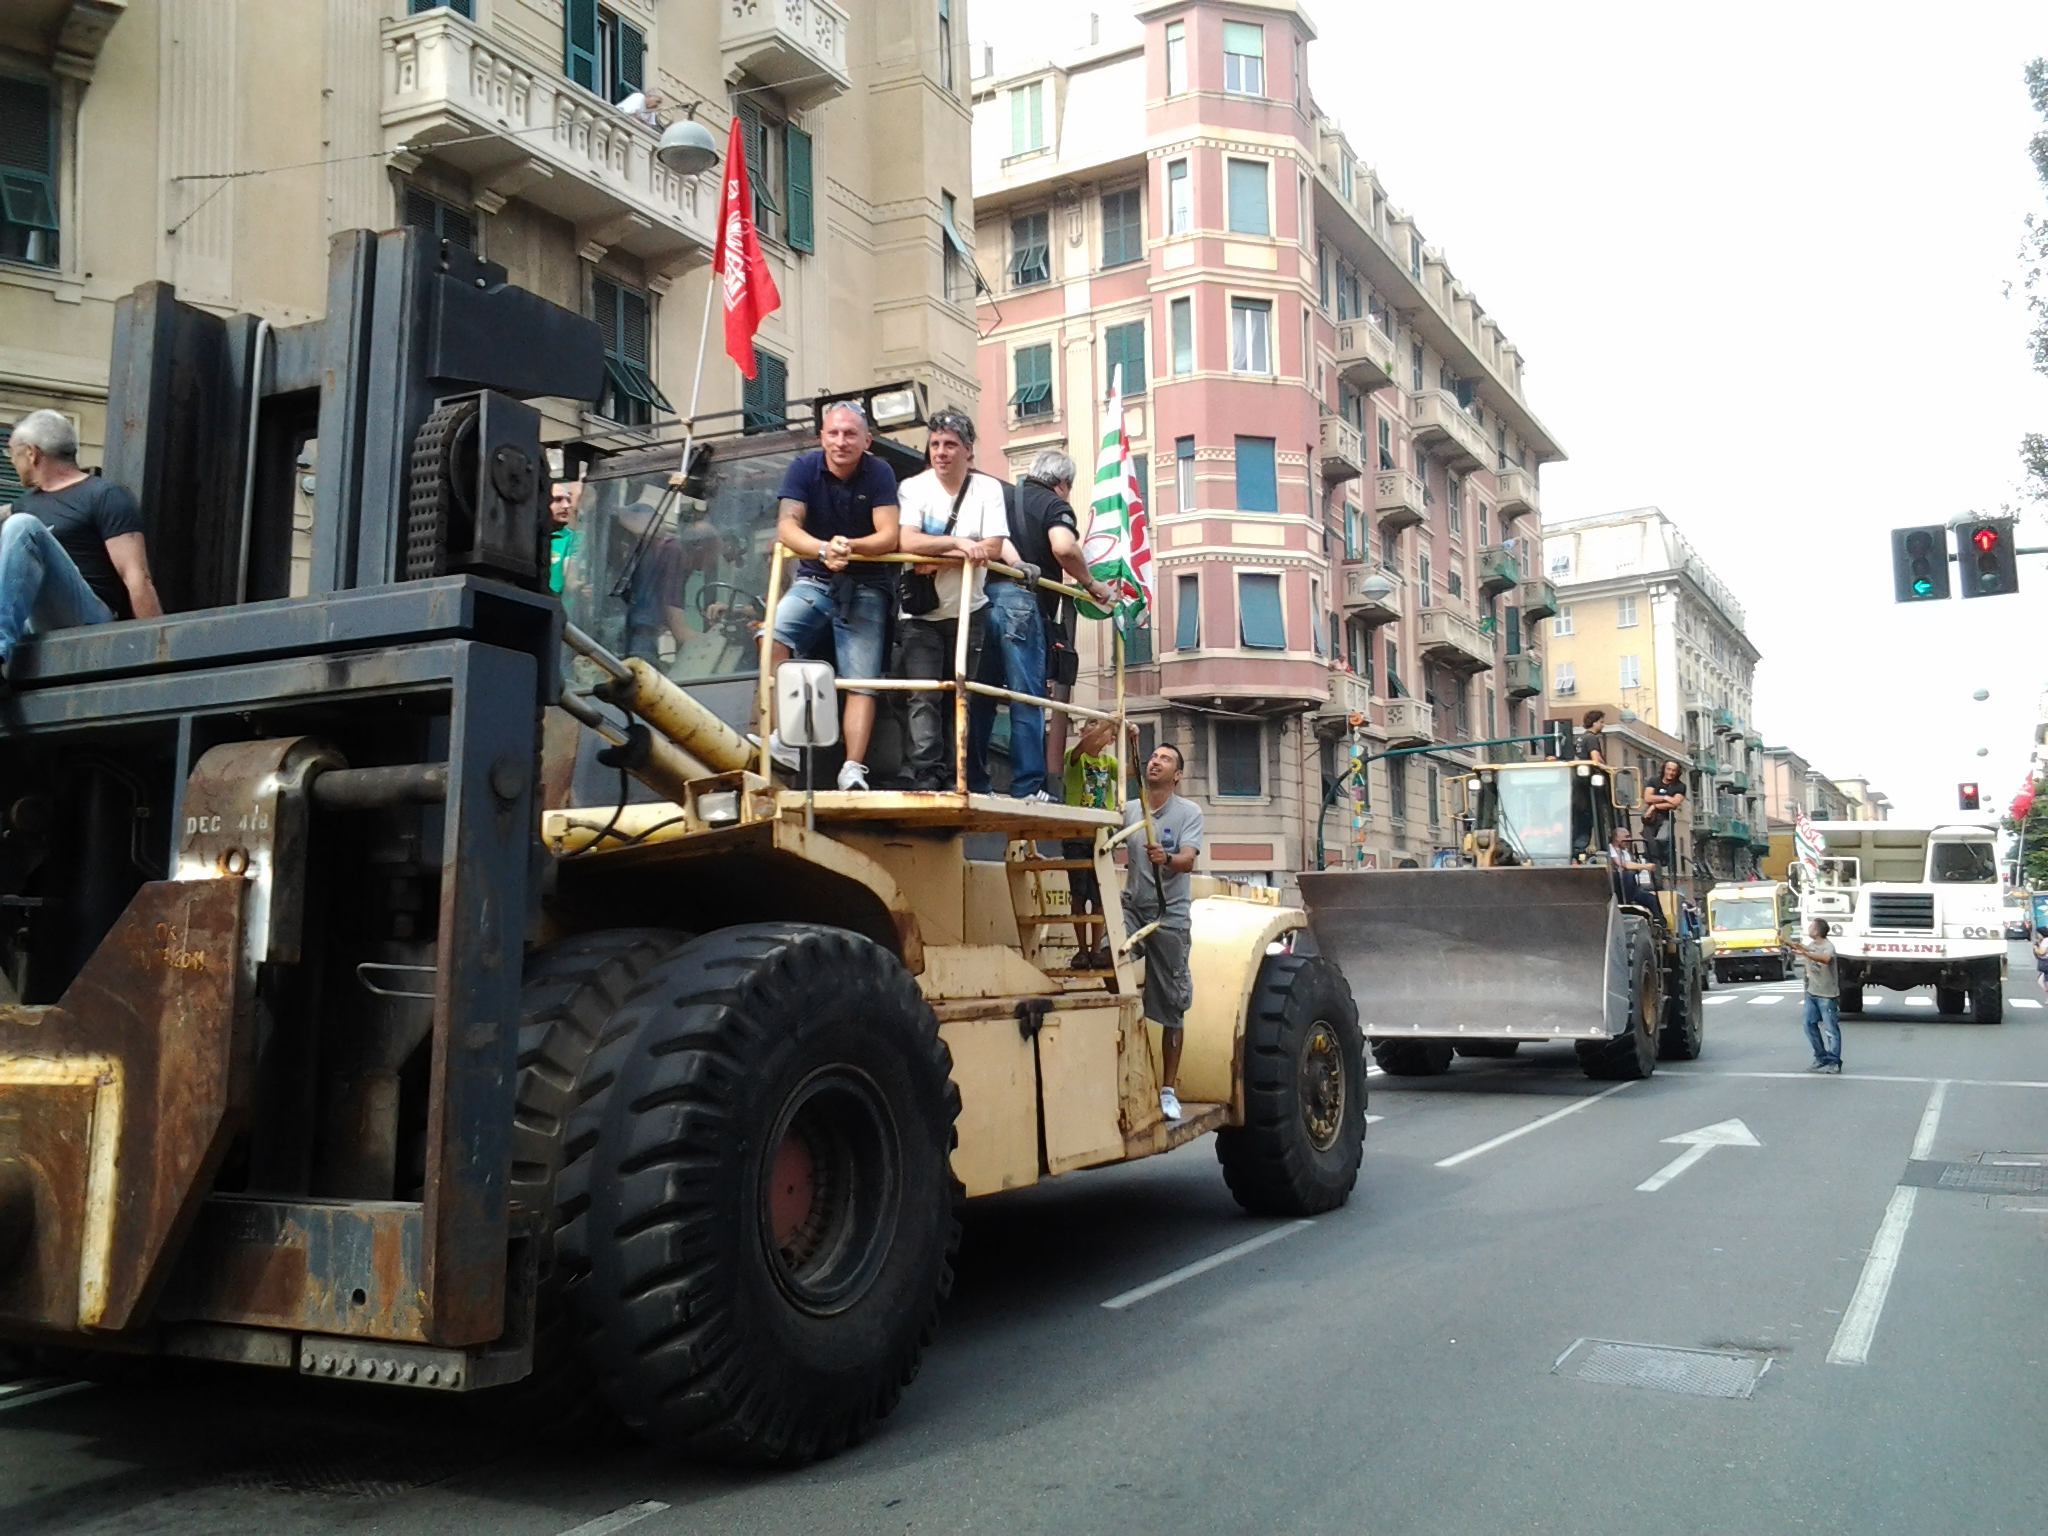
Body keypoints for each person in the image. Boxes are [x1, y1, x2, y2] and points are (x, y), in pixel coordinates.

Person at [769, 402, 900, 791]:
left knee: (861, 679)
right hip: (814, 576)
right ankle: (783, 741)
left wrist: (849, 548)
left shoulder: (880, 472)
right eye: (834, 433)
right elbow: (786, 526)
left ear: (867, 440)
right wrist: (824, 549)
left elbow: (888, 535)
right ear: (821, 437)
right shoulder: (803, 468)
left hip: (867, 583)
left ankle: (852, 768)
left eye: (850, 434)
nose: (841, 441)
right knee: (771, 636)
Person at [975, 449, 1109, 800]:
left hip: (982, 600)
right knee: (1027, 697)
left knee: (981, 696)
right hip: (1023, 606)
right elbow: (1064, 548)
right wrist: (1092, 584)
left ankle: (974, 780)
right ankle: (1027, 787)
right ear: (1063, 484)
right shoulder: (1053, 506)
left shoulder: (1003, 497)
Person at [1, 409, 162, 674]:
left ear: (31, 453)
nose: (11, 461)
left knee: (21, 525)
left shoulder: (103, 496)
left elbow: (136, 576)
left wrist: (156, 650)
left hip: (91, 620)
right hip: (37, 622)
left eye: (12, 453)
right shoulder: (24, 504)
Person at [894, 409, 1006, 790]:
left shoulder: (988, 489)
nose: (941, 452)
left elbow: (992, 546)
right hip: (920, 614)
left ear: (968, 451)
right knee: (923, 695)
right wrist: (960, 545)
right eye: (935, 444)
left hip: (968, 611)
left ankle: (952, 771)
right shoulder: (914, 487)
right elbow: (907, 542)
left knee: (958, 693)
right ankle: (926, 771)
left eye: (950, 445)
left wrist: (934, 557)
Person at [1123, 741, 1203, 1122]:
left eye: (1165, 759)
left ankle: (1168, 1089)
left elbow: (1187, 859)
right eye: (1153, 756)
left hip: (1170, 915)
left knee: (1173, 1006)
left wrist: (1167, 858)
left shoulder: (1188, 812)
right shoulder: (1131, 809)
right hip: (1134, 908)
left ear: (1178, 775)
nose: (1156, 761)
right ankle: (1127, 1043)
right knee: (1109, 959)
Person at [1061, 716, 1126, 966]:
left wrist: (1130, 738)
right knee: (1078, 892)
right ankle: (1081, 949)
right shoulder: (1073, 757)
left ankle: (1096, 949)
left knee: (1098, 894)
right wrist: (1111, 721)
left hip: (1102, 833)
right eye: (1091, 723)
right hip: (1077, 832)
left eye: (1099, 725)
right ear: (1081, 731)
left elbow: (1128, 773)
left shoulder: (1109, 762)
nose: (1096, 729)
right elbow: (1086, 745)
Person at [1787, 918, 1842, 1074]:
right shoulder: (1813, 946)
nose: (1809, 929)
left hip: (1827, 995)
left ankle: (1834, 1062)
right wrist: (1784, 941)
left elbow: (1826, 959)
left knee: (1831, 1030)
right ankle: (1820, 1057)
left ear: (1817, 931)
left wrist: (1804, 952)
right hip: (1812, 993)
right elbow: (1805, 949)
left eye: (1811, 927)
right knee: (1809, 1025)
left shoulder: (1828, 946)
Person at [1641, 759, 1686, 873]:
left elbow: (1675, 803)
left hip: (1666, 817)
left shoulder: (1680, 786)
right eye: (1669, 769)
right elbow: (1647, 798)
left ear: (1677, 772)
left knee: (1662, 839)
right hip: (1651, 819)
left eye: (1674, 770)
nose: (1671, 772)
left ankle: (1666, 860)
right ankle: (1656, 879)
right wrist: (1666, 798)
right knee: (1651, 849)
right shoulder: (1654, 781)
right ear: (1664, 769)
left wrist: (1654, 806)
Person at [1607, 825, 1656, 909]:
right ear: (1617, 837)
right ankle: (1629, 900)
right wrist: (1645, 866)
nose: (1629, 840)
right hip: (1617, 886)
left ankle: (1658, 919)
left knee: (1651, 899)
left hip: (1630, 887)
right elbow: (1622, 864)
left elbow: (1630, 866)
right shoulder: (1610, 849)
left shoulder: (1625, 853)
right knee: (1628, 875)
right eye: (1626, 837)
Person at [547, 480, 582, 598]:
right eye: (557, 500)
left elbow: (571, 579)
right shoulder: (530, 539)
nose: (566, 505)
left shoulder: (574, 539)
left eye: (568, 499)